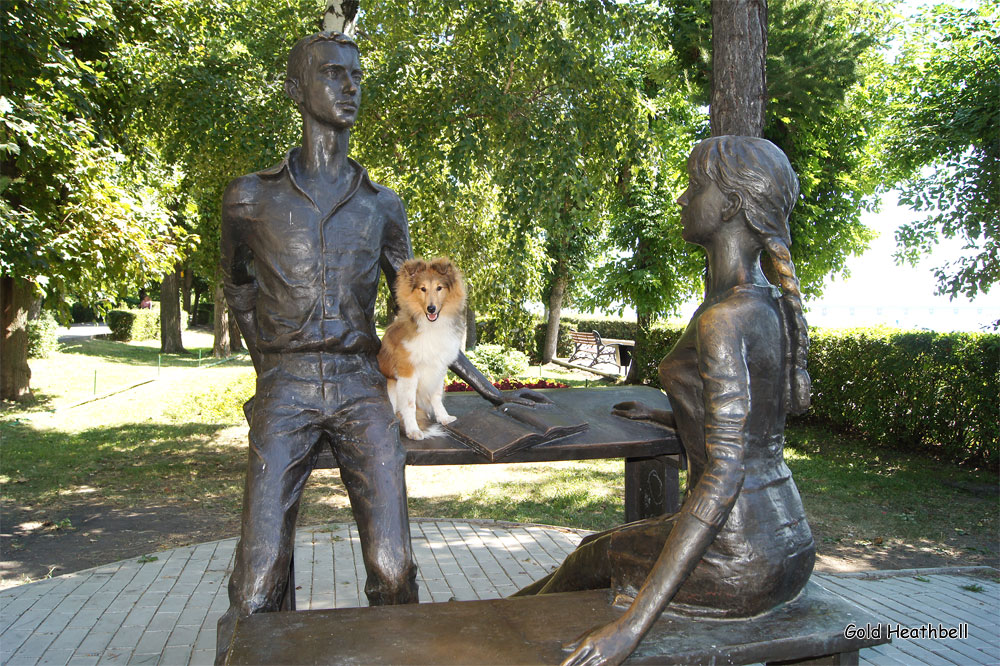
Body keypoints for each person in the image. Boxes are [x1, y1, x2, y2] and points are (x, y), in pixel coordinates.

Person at [215, 31, 544, 663]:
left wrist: (488, 387)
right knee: (255, 585)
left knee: (394, 571)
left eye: (357, 76)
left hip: (360, 384)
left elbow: (425, 316)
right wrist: (266, 372)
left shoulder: (382, 206)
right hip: (286, 385)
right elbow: (237, 286)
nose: (350, 86)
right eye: (332, 73)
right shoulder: (249, 198)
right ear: (295, 89)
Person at [515, 136, 816, 666]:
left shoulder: (722, 320)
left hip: (738, 554)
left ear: (729, 204)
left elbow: (724, 475)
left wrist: (628, 630)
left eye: (694, 186)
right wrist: (665, 413)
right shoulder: (767, 305)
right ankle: (485, 623)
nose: (681, 198)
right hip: (790, 543)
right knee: (598, 544)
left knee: (593, 557)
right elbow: (751, 430)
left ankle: (491, 635)